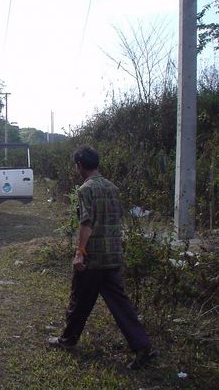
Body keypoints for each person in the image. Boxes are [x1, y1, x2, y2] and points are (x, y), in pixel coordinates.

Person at [48, 146, 157, 370]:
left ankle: (67, 341)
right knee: (121, 304)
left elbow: (86, 223)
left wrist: (80, 252)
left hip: (93, 258)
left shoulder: (85, 190)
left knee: (79, 300)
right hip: (113, 256)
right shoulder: (112, 188)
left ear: (79, 166)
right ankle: (142, 346)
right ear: (96, 164)